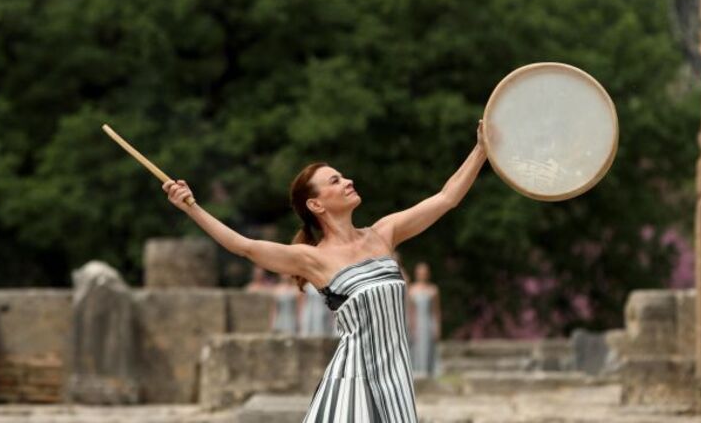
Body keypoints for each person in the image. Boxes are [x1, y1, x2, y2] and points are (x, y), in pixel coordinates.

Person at [161, 117, 491, 422]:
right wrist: (192, 207)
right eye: (335, 180)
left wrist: (480, 150)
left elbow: (447, 198)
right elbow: (242, 246)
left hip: (396, 377)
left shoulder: (384, 234)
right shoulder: (312, 258)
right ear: (317, 204)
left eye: (343, 176)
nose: (348, 181)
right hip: (353, 382)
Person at [407, 262, 440, 377]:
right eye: (420, 273)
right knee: (416, 347)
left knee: (428, 346)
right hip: (416, 323)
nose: (422, 275)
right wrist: (411, 326)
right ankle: (417, 371)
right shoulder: (411, 289)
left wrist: (437, 327)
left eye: (424, 273)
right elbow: (410, 311)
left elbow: (436, 311)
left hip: (428, 322)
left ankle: (429, 371)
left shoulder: (433, 290)